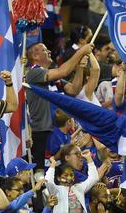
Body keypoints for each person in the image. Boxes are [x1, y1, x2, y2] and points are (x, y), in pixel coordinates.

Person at [25, 42, 93, 173]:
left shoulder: (52, 78)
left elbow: (74, 89)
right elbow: (63, 71)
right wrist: (80, 52)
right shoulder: (34, 73)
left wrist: (80, 67)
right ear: (35, 56)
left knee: (60, 171)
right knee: (43, 172)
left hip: (58, 130)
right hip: (42, 132)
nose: (49, 51)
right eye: (45, 50)